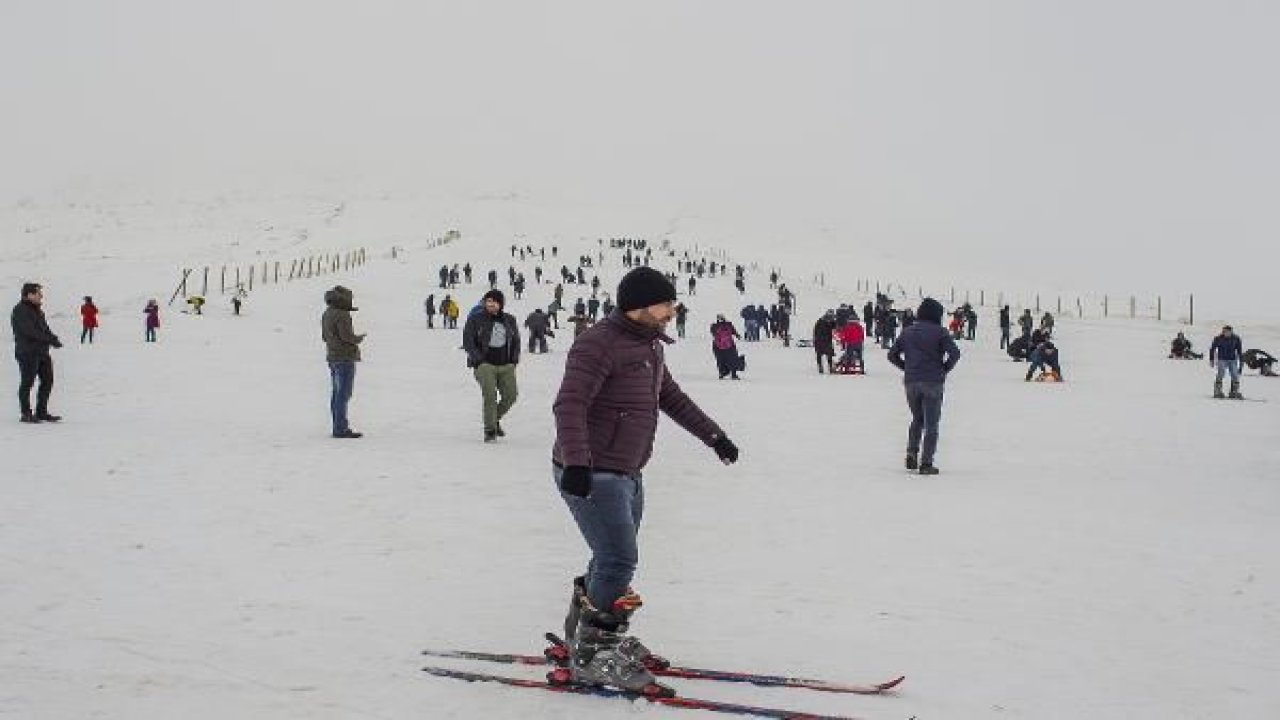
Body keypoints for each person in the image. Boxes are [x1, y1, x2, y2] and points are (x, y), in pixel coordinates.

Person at [550, 266, 738, 694]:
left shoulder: (649, 344)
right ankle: (595, 655)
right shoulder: (597, 345)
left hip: (627, 468)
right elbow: (569, 405)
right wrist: (578, 463)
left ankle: (584, 640)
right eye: (666, 303)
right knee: (618, 558)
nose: (672, 311)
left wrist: (715, 437)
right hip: (592, 471)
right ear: (640, 306)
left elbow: (669, 397)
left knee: (609, 557)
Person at [888, 298, 961, 475]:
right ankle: (926, 463)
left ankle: (911, 452)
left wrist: (907, 367)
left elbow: (892, 355)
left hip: (911, 381)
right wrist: (944, 369)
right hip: (933, 381)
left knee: (917, 419)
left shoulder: (907, 331)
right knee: (931, 424)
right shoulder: (940, 332)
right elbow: (955, 353)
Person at [462, 290, 520, 442]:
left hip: (505, 365)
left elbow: (516, 342)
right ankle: (490, 430)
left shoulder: (509, 320)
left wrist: (513, 361)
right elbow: (468, 341)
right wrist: (479, 360)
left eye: (494, 301)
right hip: (484, 365)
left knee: (511, 395)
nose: (491, 304)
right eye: (488, 301)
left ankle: (494, 419)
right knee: (490, 395)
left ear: (500, 304)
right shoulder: (475, 319)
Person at [12, 283, 63, 423]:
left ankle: (41, 412)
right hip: (27, 352)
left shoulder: (38, 311)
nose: (41, 296)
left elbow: (44, 329)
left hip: (42, 352)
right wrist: (49, 340)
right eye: (38, 293)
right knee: (27, 382)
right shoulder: (20, 310)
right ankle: (26, 413)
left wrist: (53, 338)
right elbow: (29, 331)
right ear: (29, 295)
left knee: (47, 381)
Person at [321, 286, 364, 438]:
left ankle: (338, 426)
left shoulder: (327, 313)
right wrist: (357, 339)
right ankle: (340, 428)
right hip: (344, 358)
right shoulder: (342, 315)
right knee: (343, 394)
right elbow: (346, 336)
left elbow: (325, 337)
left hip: (332, 357)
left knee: (337, 393)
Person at [1209, 325, 1244, 399]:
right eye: (1224, 331)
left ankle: (1234, 391)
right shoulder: (1218, 338)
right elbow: (1212, 349)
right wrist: (1211, 359)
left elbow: (1239, 351)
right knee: (1221, 373)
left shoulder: (1236, 339)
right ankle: (1217, 391)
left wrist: (1241, 363)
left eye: (1227, 332)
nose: (1225, 333)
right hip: (1222, 359)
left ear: (1231, 332)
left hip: (1232, 359)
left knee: (1235, 374)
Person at [709, 314, 741, 379]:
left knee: (720, 360)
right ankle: (733, 374)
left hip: (717, 346)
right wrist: (737, 335)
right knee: (732, 359)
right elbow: (733, 331)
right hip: (729, 345)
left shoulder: (714, 326)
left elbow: (713, 334)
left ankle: (722, 373)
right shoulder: (728, 324)